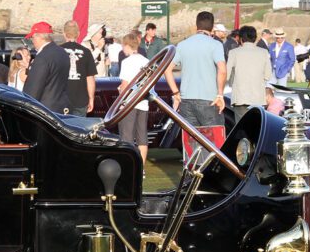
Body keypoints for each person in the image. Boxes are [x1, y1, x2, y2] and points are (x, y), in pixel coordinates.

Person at [163, 11, 227, 158]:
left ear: (196, 26)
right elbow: (222, 70)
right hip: (209, 99)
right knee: (215, 145)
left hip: (187, 100)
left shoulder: (183, 44)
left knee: (191, 145)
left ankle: (191, 174)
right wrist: (220, 94)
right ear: (212, 28)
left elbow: (167, 70)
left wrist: (175, 93)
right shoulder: (215, 44)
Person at [226, 24, 274, 125]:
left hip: (240, 97)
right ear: (255, 38)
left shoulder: (234, 52)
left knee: (242, 129)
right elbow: (267, 75)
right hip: (258, 97)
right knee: (256, 129)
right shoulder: (264, 52)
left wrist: (232, 82)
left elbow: (226, 74)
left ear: (241, 39)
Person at [115, 31, 151, 163]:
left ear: (126, 45)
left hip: (129, 103)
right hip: (143, 102)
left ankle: (128, 165)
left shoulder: (126, 62)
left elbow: (125, 84)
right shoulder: (147, 61)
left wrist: (121, 100)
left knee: (127, 136)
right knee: (142, 136)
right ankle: (141, 167)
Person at [22, 21, 70, 112]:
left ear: (39, 37)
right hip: (62, 107)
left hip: (45, 110)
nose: (32, 40)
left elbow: (33, 90)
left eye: (32, 37)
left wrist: (26, 107)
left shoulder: (42, 57)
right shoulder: (62, 52)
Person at [60, 20, 97, 115]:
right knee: (78, 128)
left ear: (64, 34)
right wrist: (91, 98)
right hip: (81, 100)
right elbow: (90, 78)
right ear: (78, 34)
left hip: (61, 99)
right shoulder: (86, 52)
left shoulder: (57, 51)